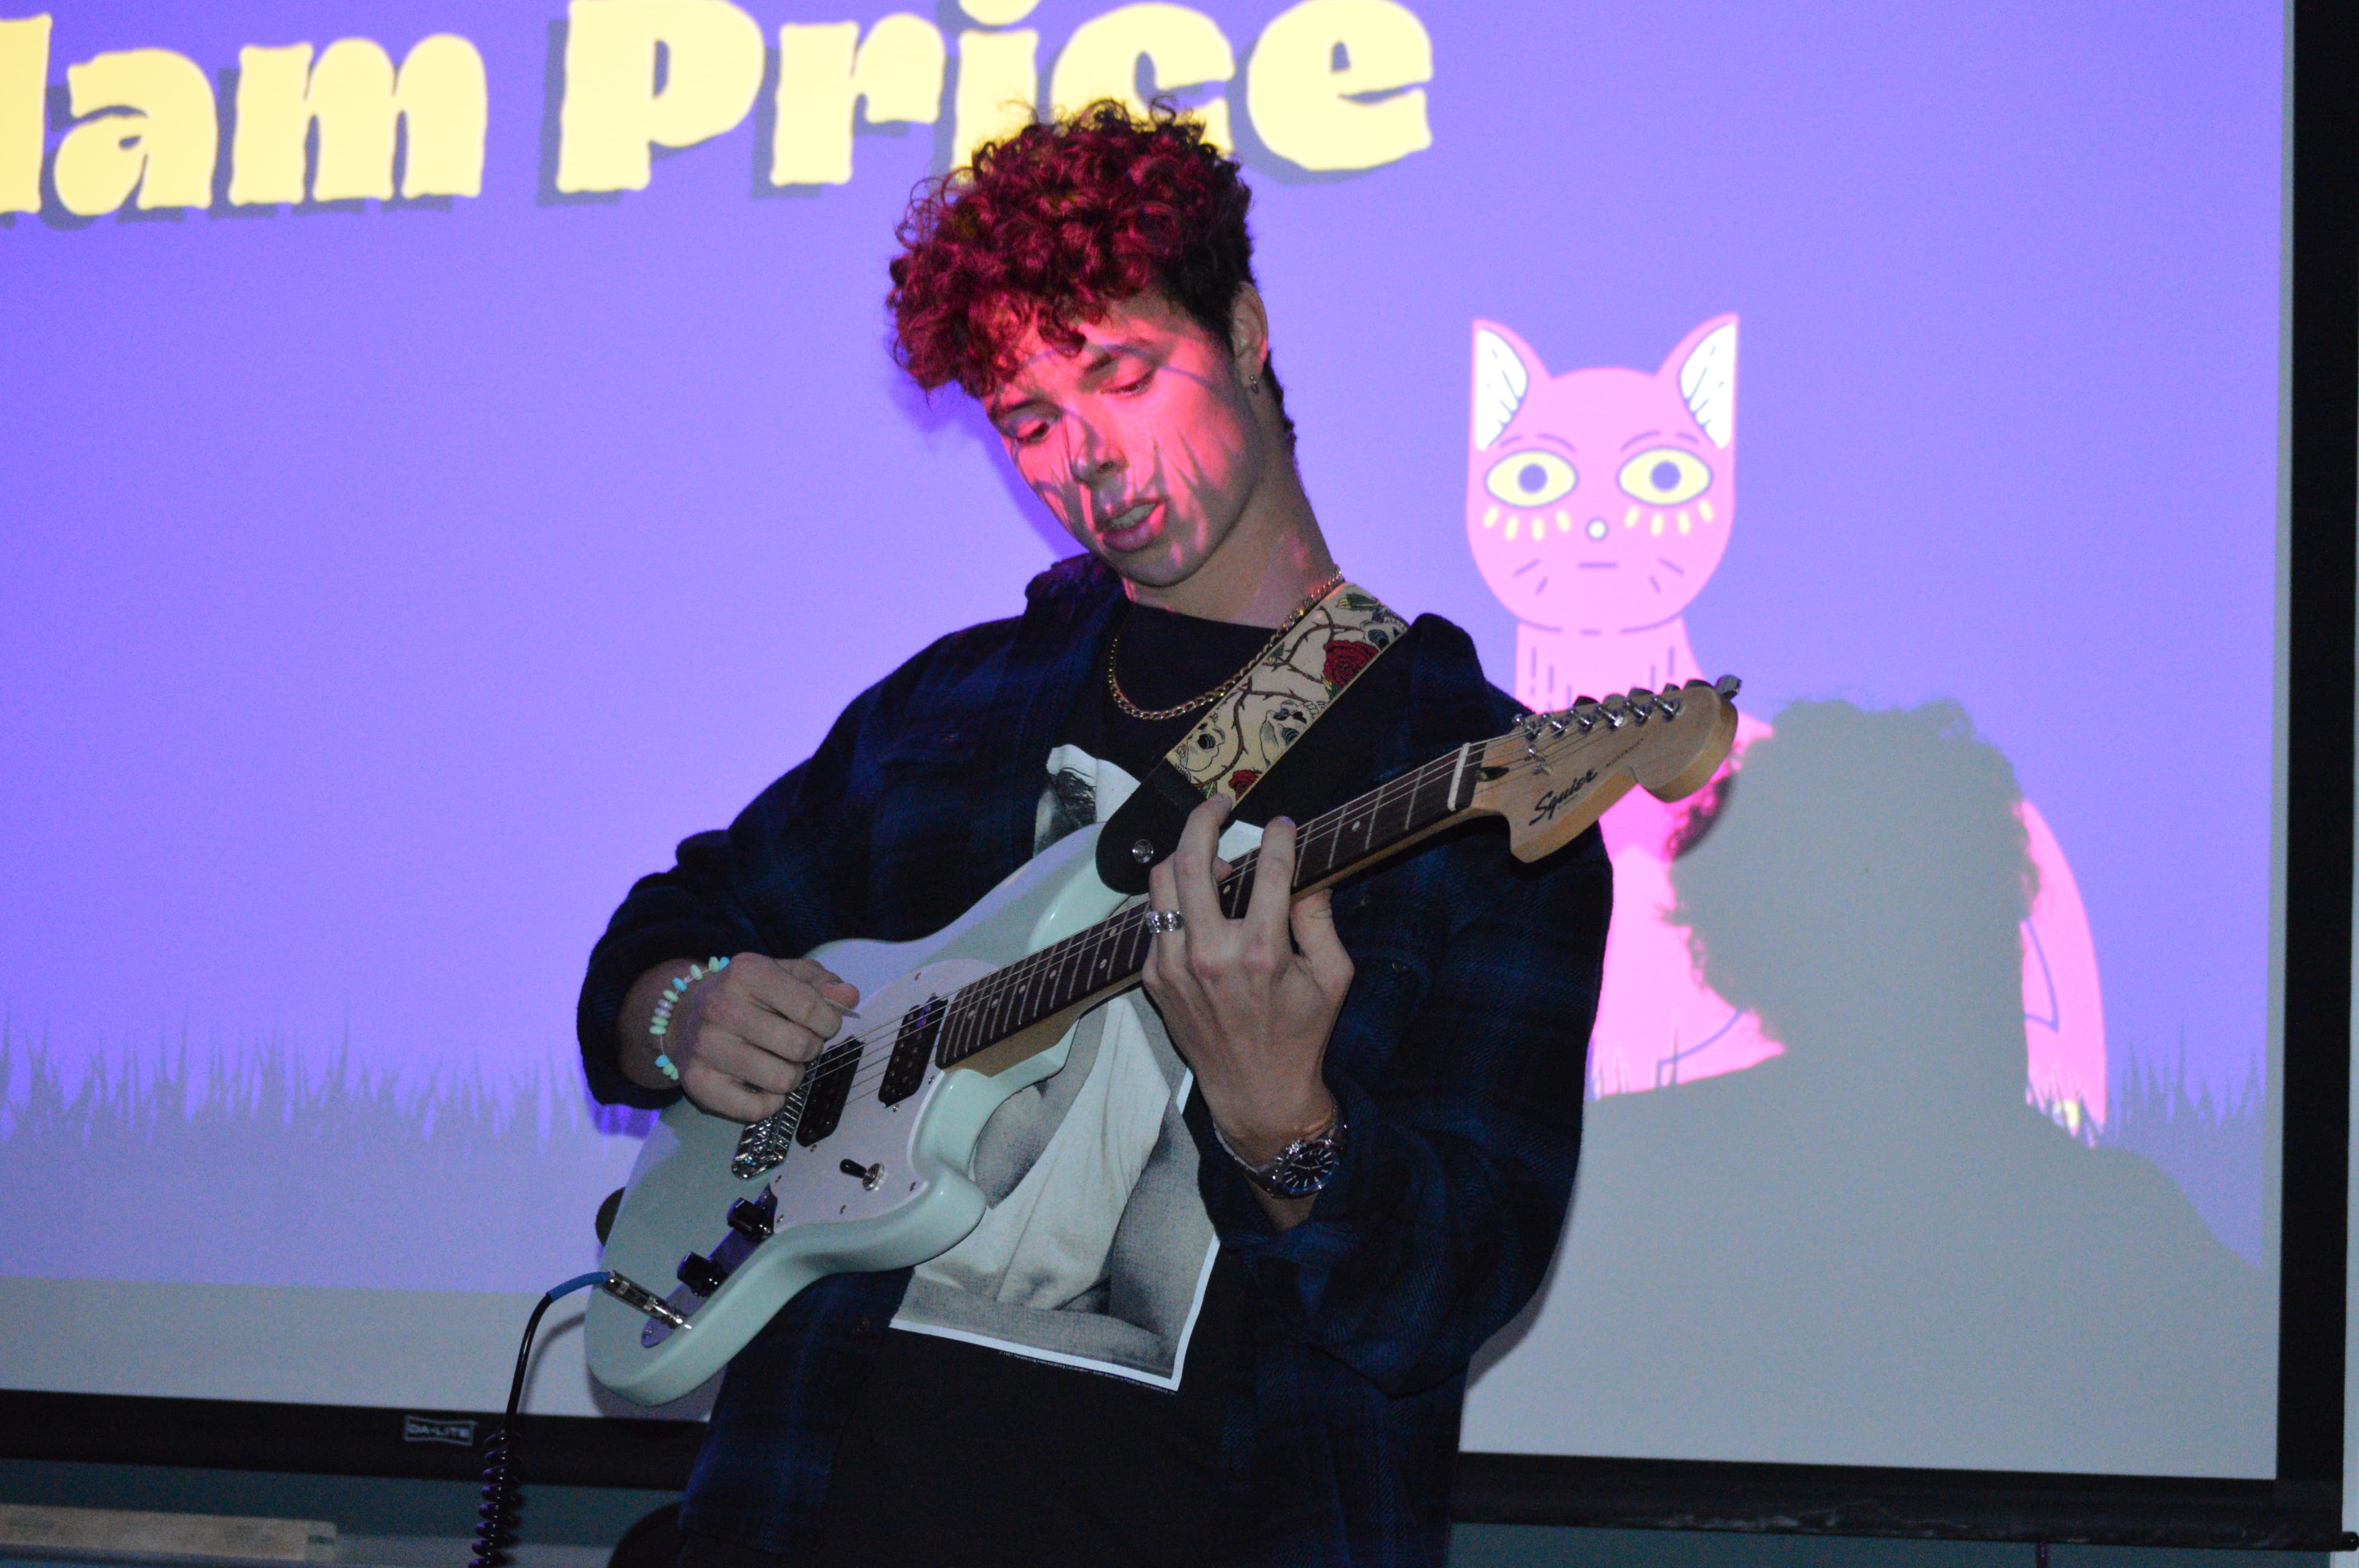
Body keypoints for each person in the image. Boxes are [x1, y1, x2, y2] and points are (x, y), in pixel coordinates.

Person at [576, 103, 1612, 1567]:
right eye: (1028, 418)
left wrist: (1285, 1124)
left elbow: (1445, 1292)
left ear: (1245, 329)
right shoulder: (958, 708)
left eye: (1120, 374)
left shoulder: (1467, 781)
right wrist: (681, 1009)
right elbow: (670, 925)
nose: (1088, 460)